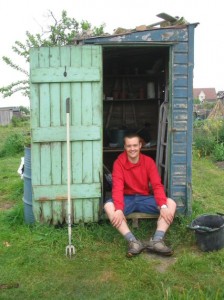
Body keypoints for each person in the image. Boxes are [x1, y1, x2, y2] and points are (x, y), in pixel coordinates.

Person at [104, 133, 176, 257]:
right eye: (129, 146)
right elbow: (117, 188)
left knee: (171, 203)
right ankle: (133, 242)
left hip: (144, 198)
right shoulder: (119, 163)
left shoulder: (148, 162)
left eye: (135, 145)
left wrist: (163, 207)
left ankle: (157, 240)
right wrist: (119, 208)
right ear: (125, 147)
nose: (132, 149)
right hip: (127, 199)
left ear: (140, 145)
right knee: (108, 206)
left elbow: (157, 185)